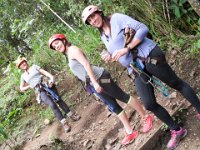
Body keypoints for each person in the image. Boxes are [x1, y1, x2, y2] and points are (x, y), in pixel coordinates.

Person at [82, 5, 200, 149]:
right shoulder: (102, 35)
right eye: (89, 20)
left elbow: (143, 28)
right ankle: (177, 130)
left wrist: (127, 48)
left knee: (176, 84)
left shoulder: (117, 19)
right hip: (136, 69)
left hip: (148, 55)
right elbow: (117, 50)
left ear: (99, 13)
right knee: (149, 103)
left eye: (93, 16)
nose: (93, 21)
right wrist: (110, 55)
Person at [48, 33, 153, 145]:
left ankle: (146, 116)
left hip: (101, 78)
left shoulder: (73, 50)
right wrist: (91, 86)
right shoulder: (68, 54)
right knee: (113, 106)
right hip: (94, 83)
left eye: (57, 43)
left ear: (63, 40)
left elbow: (86, 64)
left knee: (122, 97)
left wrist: (95, 83)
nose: (56, 46)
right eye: (54, 46)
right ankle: (130, 131)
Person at [15, 57, 81, 133]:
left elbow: (45, 73)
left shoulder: (34, 67)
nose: (23, 64)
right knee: (52, 105)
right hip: (39, 90)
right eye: (20, 64)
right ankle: (64, 123)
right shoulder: (23, 76)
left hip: (46, 84)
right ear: (20, 67)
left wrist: (51, 78)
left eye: (23, 62)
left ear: (26, 62)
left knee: (58, 100)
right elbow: (21, 88)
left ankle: (71, 115)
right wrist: (29, 86)